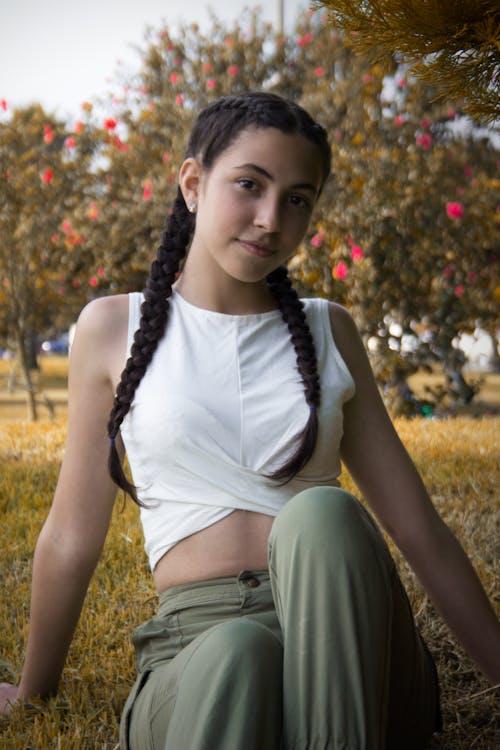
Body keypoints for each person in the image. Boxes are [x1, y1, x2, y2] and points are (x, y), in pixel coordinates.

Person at [1, 92, 499, 749]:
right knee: (240, 653)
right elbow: (71, 535)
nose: (270, 218)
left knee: (322, 514)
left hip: (347, 635)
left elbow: (418, 529)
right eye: (249, 185)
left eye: (297, 198)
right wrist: (33, 691)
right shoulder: (112, 328)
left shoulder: (330, 331)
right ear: (192, 183)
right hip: (196, 650)